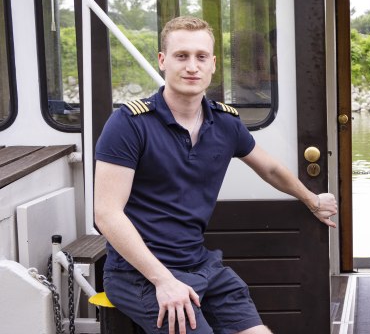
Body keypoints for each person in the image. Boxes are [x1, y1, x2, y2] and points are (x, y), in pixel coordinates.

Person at [94, 16, 337, 334]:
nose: (191, 66)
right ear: (163, 61)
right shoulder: (129, 124)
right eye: (182, 56)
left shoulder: (225, 124)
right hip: (137, 273)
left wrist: (311, 200)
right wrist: (163, 280)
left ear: (213, 64)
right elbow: (107, 213)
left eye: (201, 57)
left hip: (199, 264)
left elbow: (270, 168)